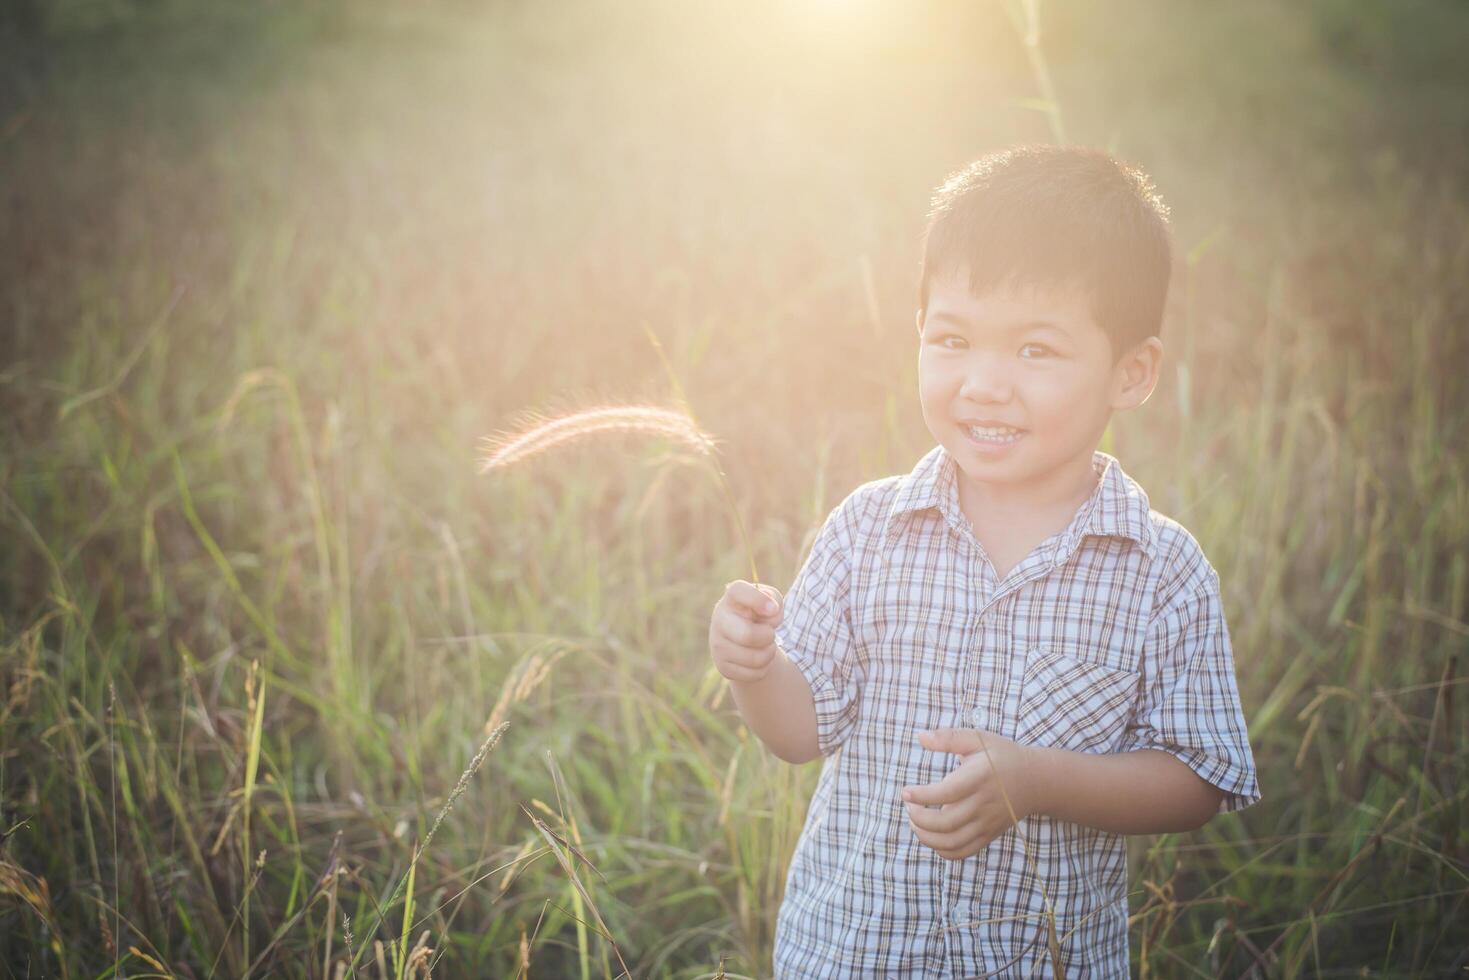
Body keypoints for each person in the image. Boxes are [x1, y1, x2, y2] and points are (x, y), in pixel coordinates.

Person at [707, 144, 1261, 977]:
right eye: (953, 339)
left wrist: (1037, 780)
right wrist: (755, 670)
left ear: (1131, 372)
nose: (983, 384)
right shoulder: (866, 530)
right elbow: (800, 731)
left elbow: (1197, 779)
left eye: (1035, 350)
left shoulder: (1159, 569)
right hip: (852, 954)